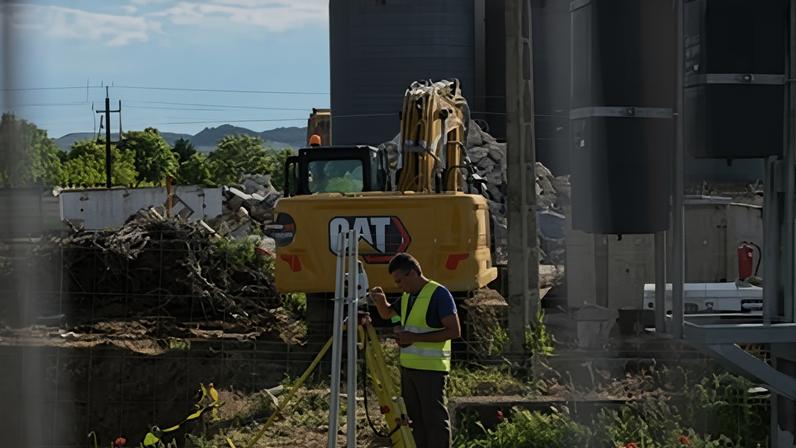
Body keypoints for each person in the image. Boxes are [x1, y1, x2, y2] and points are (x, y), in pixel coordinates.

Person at [370, 252, 460, 448]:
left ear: (412, 273)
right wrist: (380, 301)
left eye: (400, 280)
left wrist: (415, 338)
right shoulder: (407, 297)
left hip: (431, 370)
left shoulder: (439, 294)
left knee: (434, 421)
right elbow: (388, 313)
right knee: (414, 422)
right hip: (409, 369)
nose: (398, 285)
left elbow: (454, 330)